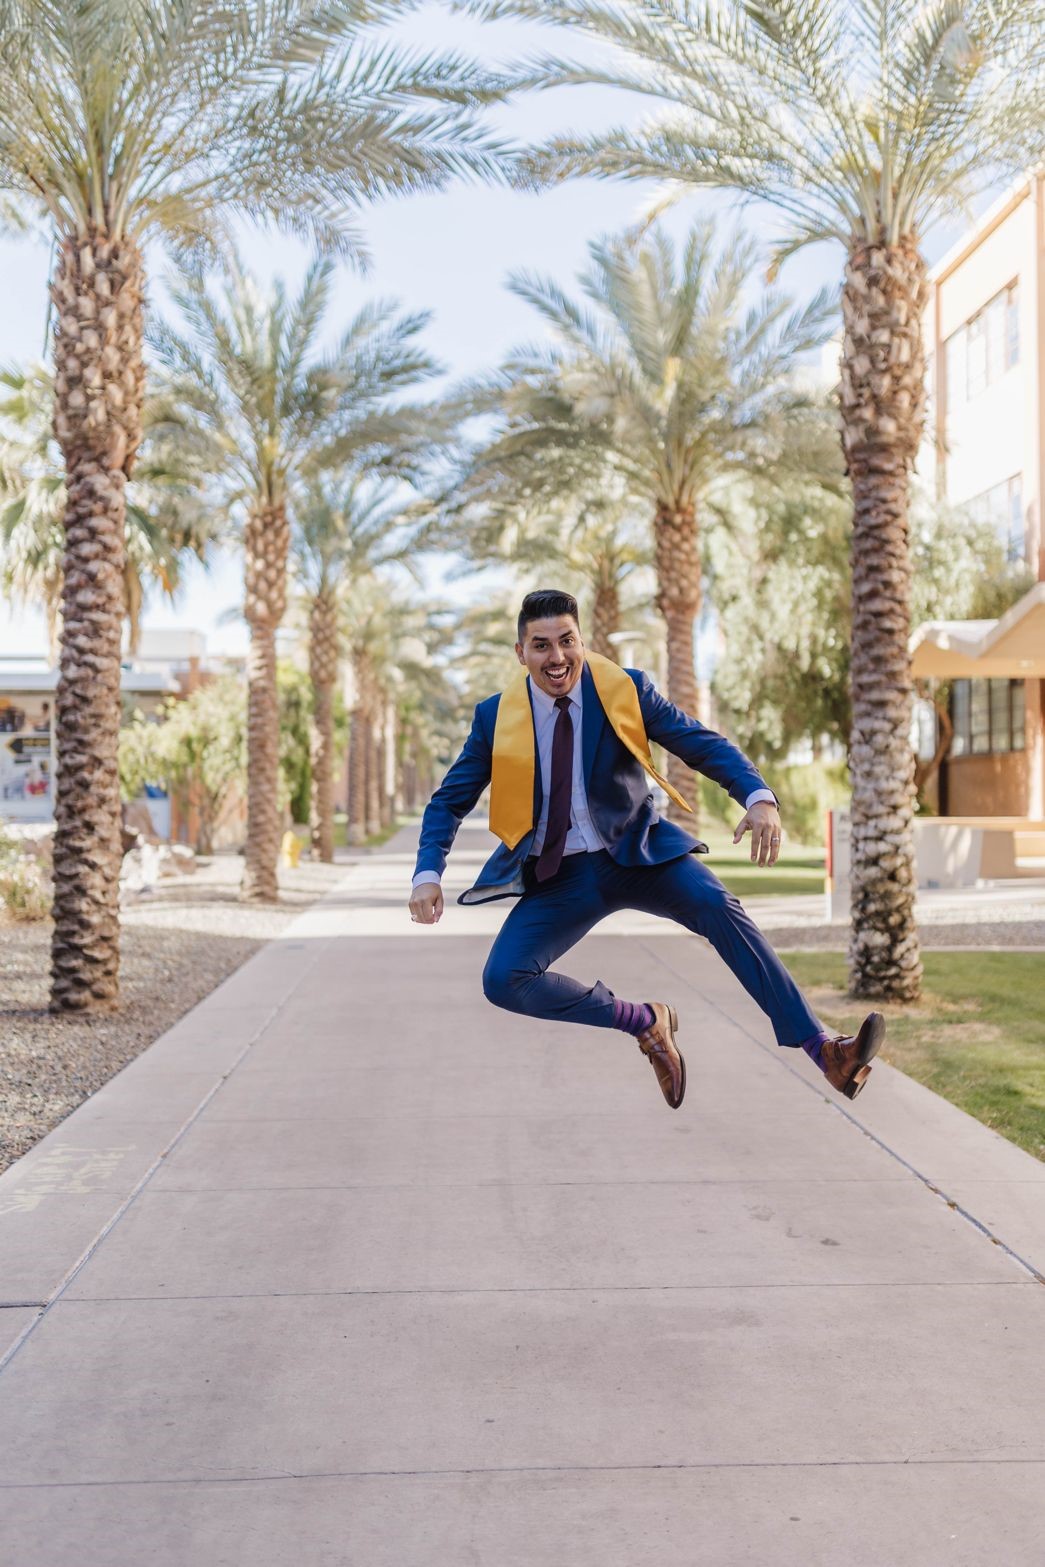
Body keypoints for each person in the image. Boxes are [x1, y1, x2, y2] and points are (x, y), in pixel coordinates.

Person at [408, 588, 883, 1110]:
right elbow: (449, 800)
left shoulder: (624, 690)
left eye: (567, 641)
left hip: (639, 854)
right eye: (541, 645)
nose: (557, 656)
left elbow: (698, 742)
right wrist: (427, 874)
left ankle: (825, 1052)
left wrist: (758, 796)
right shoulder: (496, 717)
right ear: (521, 653)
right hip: (560, 876)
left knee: (718, 907)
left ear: (582, 642)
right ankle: (644, 1021)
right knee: (503, 979)